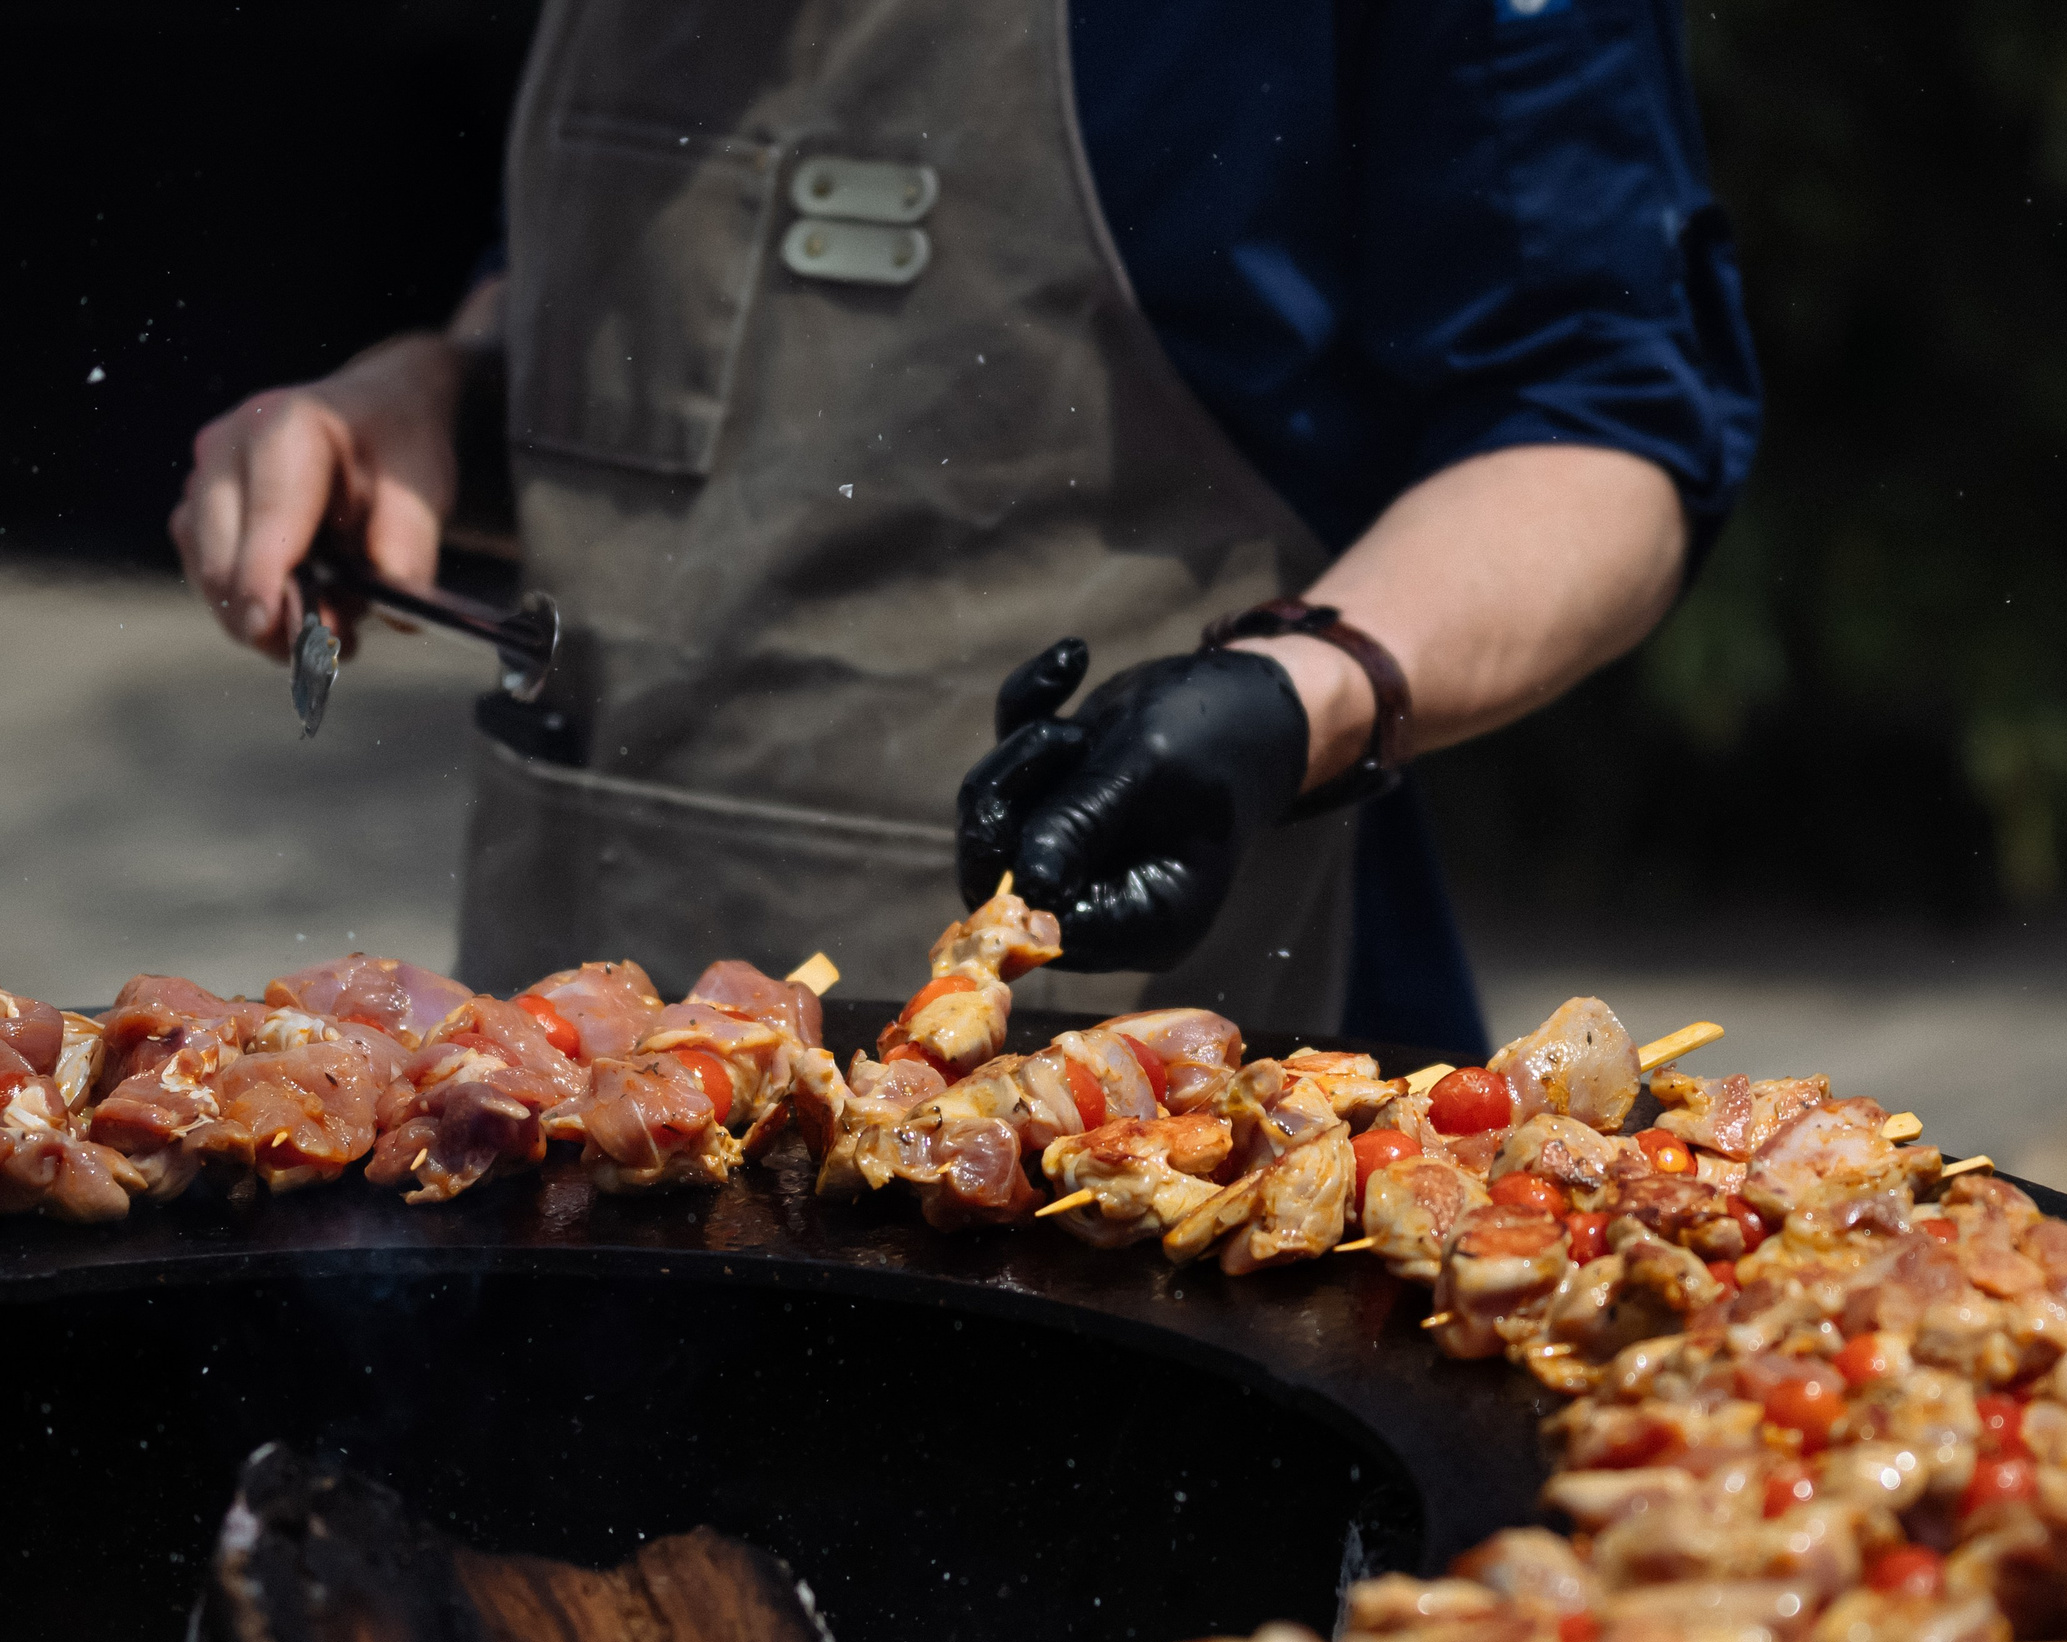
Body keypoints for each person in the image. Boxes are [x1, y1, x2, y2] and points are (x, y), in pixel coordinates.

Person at [169, 0, 1760, 1048]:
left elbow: (1599, 421)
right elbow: (666, 291)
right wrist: (431, 398)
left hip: (1130, 1127)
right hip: (565, 1095)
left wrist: (1304, 688)